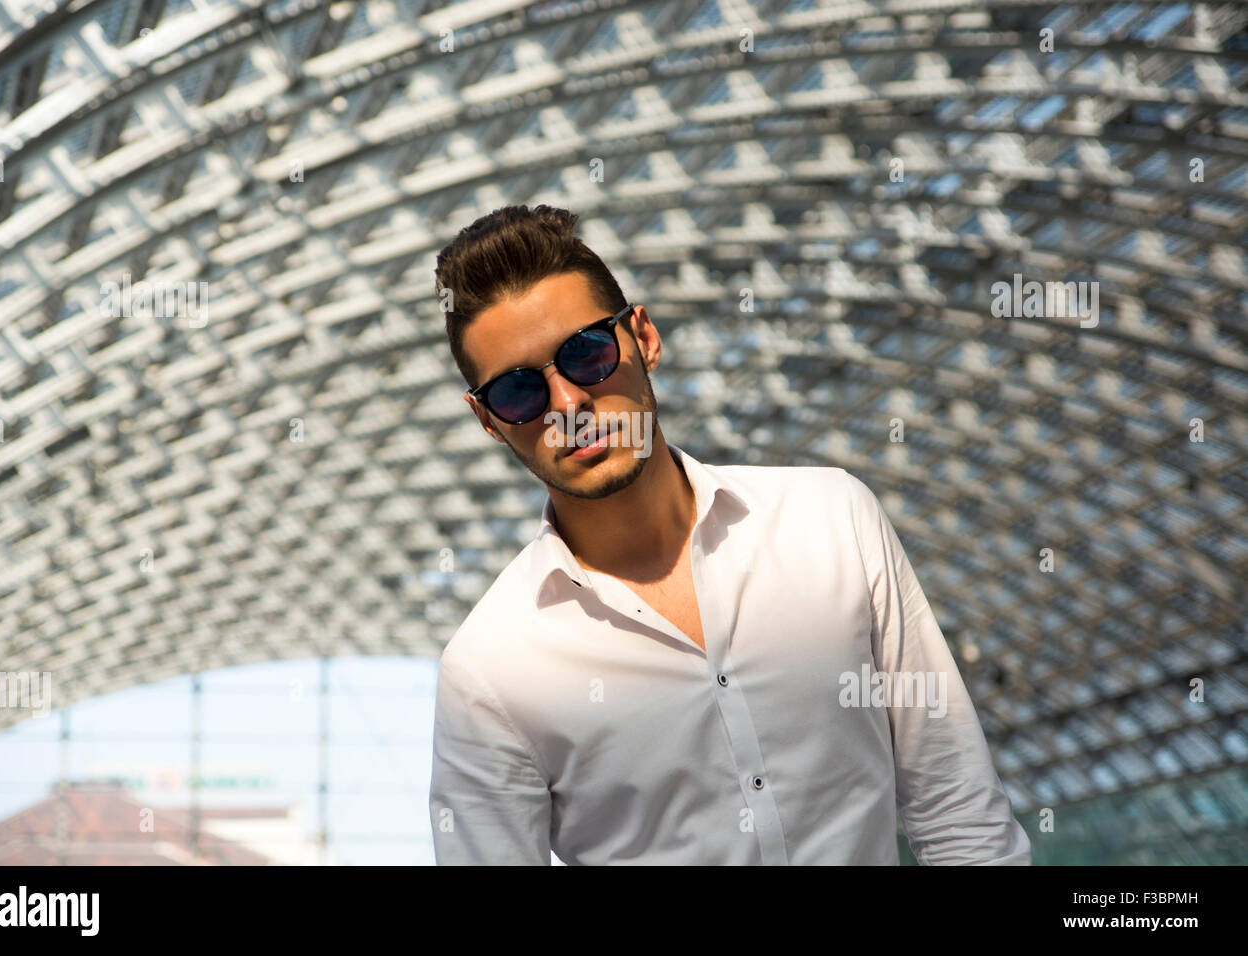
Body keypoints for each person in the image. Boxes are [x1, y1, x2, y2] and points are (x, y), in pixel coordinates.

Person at [427, 203, 1031, 865]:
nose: (568, 405)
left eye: (587, 353)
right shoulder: (489, 669)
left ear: (644, 338)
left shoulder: (832, 520)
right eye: (518, 393)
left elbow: (956, 807)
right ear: (489, 421)